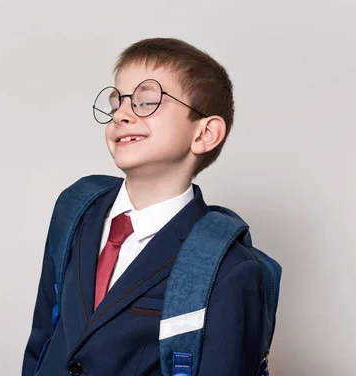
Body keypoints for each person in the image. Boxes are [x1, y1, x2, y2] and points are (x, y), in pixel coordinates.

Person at [22, 37, 265, 376]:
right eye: (116, 103)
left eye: (146, 101)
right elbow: (43, 340)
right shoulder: (75, 211)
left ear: (205, 134)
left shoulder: (228, 267)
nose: (121, 114)